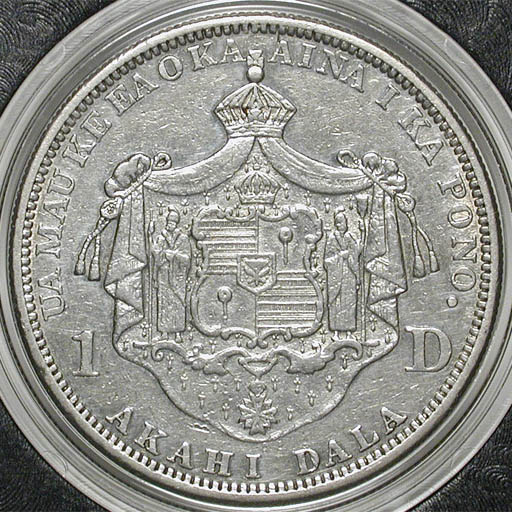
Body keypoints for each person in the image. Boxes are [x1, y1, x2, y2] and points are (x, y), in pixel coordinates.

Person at [151, 207, 191, 341]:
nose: (170, 224)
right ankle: (164, 333)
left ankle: (178, 333)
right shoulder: (160, 238)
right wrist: (162, 254)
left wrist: (174, 255)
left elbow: (187, 258)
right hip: (164, 275)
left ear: (176, 223)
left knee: (178, 303)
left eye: (172, 222)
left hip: (178, 277)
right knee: (164, 303)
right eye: (168, 222)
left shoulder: (183, 239)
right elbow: (155, 255)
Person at [324, 209, 362, 339]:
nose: (343, 224)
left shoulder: (350, 237)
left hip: (349, 275)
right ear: (336, 223)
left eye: (344, 221)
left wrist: (350, 254)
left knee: (349, 303)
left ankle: (349, 332)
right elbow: (327, 260)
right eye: (340, 222)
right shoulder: (332, 238)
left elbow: (356, 253)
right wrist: (340, 256)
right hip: (336, 276)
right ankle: (335, 333)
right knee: (336, 304)